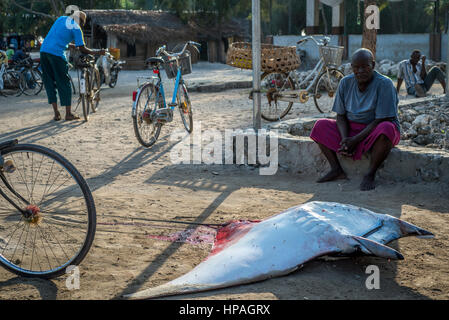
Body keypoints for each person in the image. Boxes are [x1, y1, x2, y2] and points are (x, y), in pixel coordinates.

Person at [309, 48, 400, 191]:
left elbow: (380, 120)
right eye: (356, 67)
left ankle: (370, 174)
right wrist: (346, 140)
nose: (360, 71)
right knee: (320, 126)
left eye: (365, 66)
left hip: (375, 128)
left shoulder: (384, 84)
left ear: (373, 65)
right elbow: (341, 116)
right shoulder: (345, 82)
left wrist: (354, 140)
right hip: (352, 130)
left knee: (387, 129)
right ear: (352, 67)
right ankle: (336, 170)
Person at [40, 11, 105, 121]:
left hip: (44, 52)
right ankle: (68, 114)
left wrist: (70, 45)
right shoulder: (76, 28)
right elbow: (83, 49)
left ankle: (56, 113)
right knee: (64, 83)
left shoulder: (61, 19)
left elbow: (56, 37)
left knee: (49, 82)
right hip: (56, 55)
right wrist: (98, 52)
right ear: (81, 21)